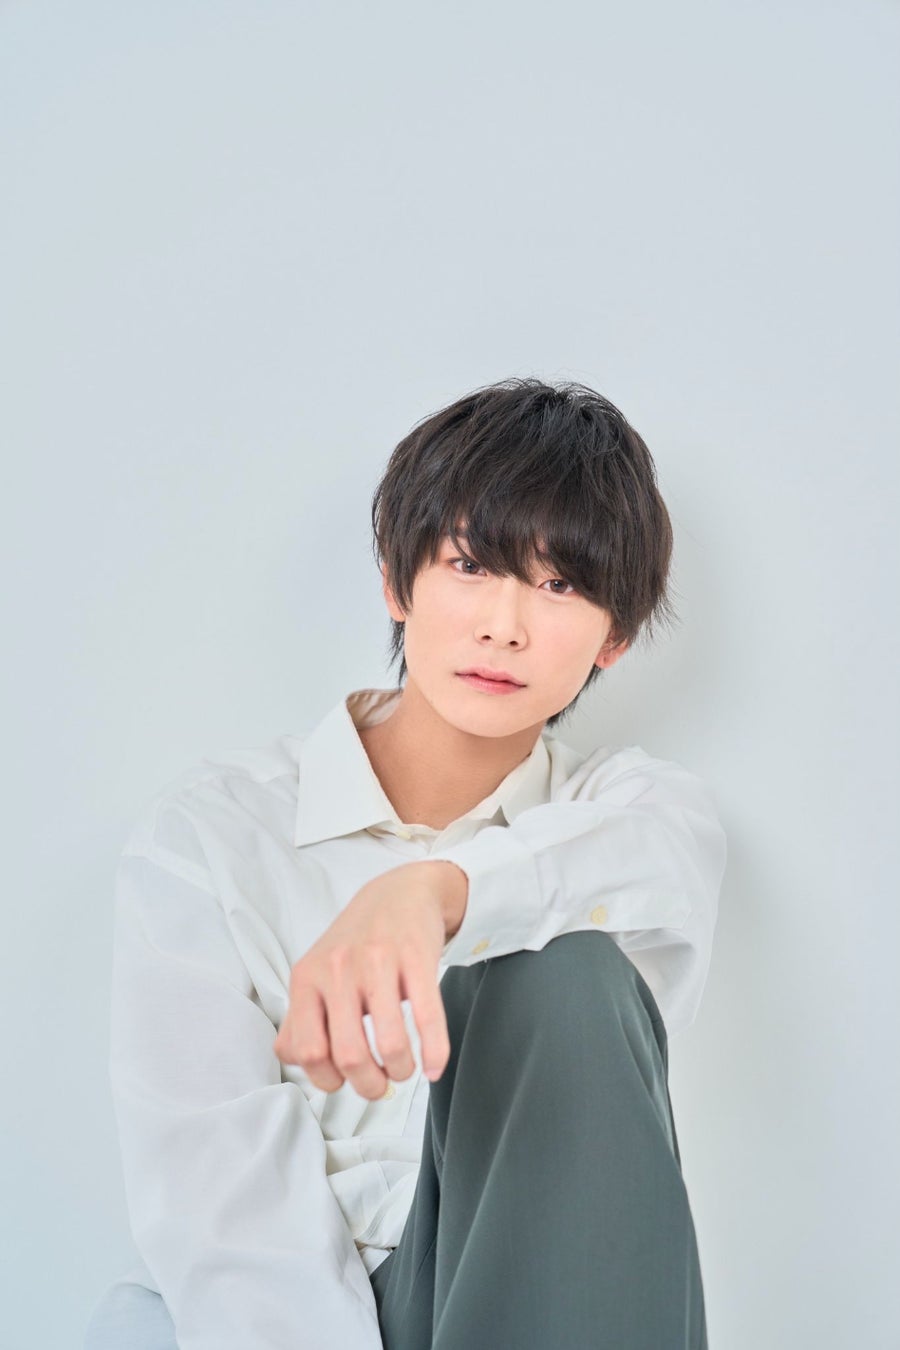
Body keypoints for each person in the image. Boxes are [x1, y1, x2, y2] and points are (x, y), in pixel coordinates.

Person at [84, 377, 727, 1349]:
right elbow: (222, 1212)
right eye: (470, 565)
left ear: (617, 638)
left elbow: (661, 860)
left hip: (539, 1286)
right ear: (396, 582)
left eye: (559, 585)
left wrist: (439, 893)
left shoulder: (626, 816)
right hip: (274, 1320)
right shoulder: (215, 836)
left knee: (563, 970)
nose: (505, 624)